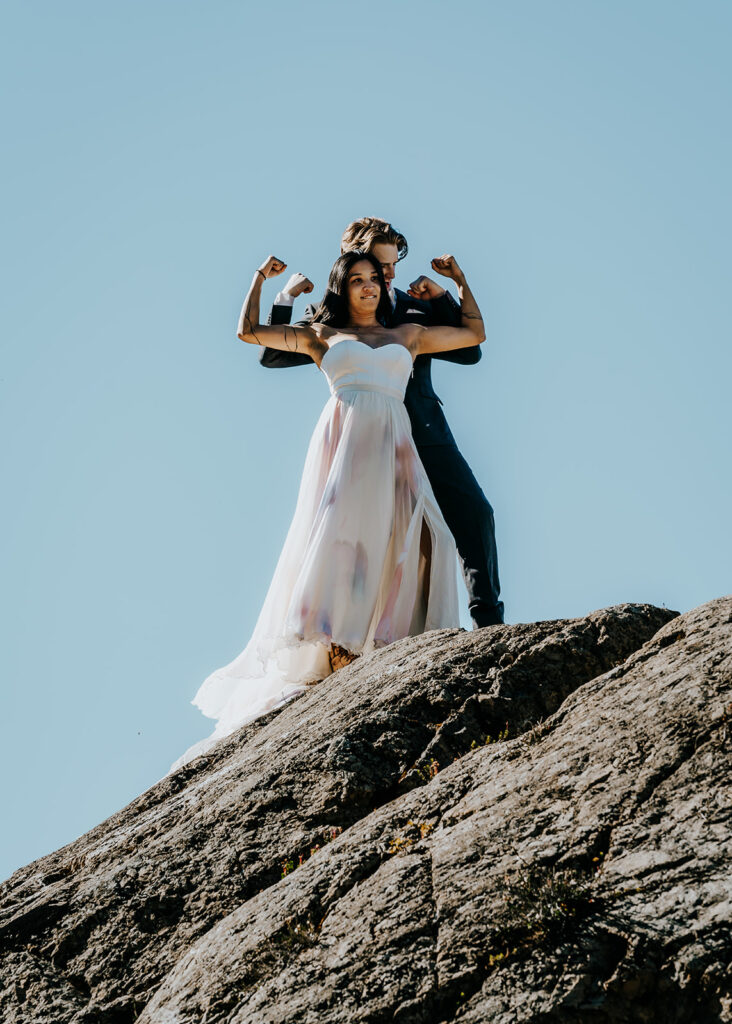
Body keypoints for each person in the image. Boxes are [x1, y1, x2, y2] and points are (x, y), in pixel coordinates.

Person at [171, 249, 485, 769]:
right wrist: (261, 280)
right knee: (342, 545)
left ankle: (392, 638)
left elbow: (474, 333)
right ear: (343, 289)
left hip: (395, 445)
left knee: (427, 540)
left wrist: (460, 280)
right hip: (342, 448)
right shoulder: (322, 337)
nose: (368, 287)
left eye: (373, 281)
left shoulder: (407, 335)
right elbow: (249, 332)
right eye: (357, 280)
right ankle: (339, 651)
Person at [262, 216, 504, 627]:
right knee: (369, 538)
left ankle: (488, 623)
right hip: (368, 441)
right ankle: (352, 634)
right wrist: (284, 295)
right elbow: (274, 355)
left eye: (392, 266)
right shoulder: (328, 314)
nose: (388, 275)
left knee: (474, 513)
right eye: (380, 264)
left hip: (426, 433)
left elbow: (469, 351)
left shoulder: (415, 307)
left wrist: (444, 295)